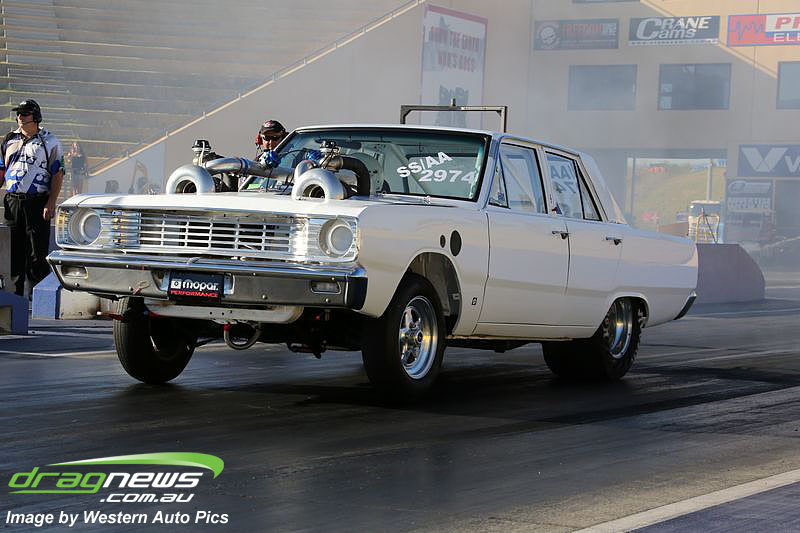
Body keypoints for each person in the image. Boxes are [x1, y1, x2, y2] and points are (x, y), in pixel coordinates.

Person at [0, 99, 65, 297]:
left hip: (37, 202)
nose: (20, 117)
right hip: (12, 201)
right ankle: (14, 298)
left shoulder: (50, 140)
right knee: (12, 252)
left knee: (37, 253)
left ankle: (37, 298)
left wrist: (51, 202)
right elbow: (2, 169)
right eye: (18, 113)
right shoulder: (9, 139)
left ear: (35, 117)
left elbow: (58, 173)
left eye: (25, 113)